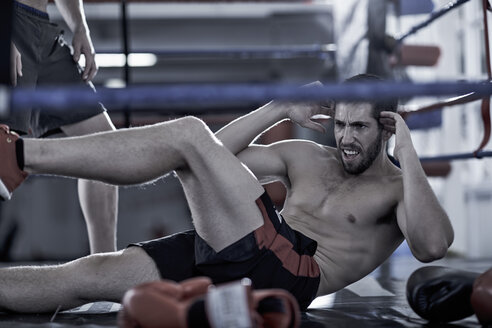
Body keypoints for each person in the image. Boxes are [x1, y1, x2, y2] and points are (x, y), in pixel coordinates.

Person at [0, 74, 454, 313]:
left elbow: (432, 245)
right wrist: (278, 107)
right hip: (243, 247)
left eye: (359, 126)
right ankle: (16, 159)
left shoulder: (397, 188)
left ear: (387, 126)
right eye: (340, 124)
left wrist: (408, 148)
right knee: (88, 276)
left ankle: (17, 155)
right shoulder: (307, 157)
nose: (345, 137)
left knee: (189, 133)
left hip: (292, 274)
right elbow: (216, 155)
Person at [5, 0, 118, 253]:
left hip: (44, 32)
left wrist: (80, 26)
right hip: (11, 21)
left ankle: (106, 269)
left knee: (104, 145)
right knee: (5, 156)